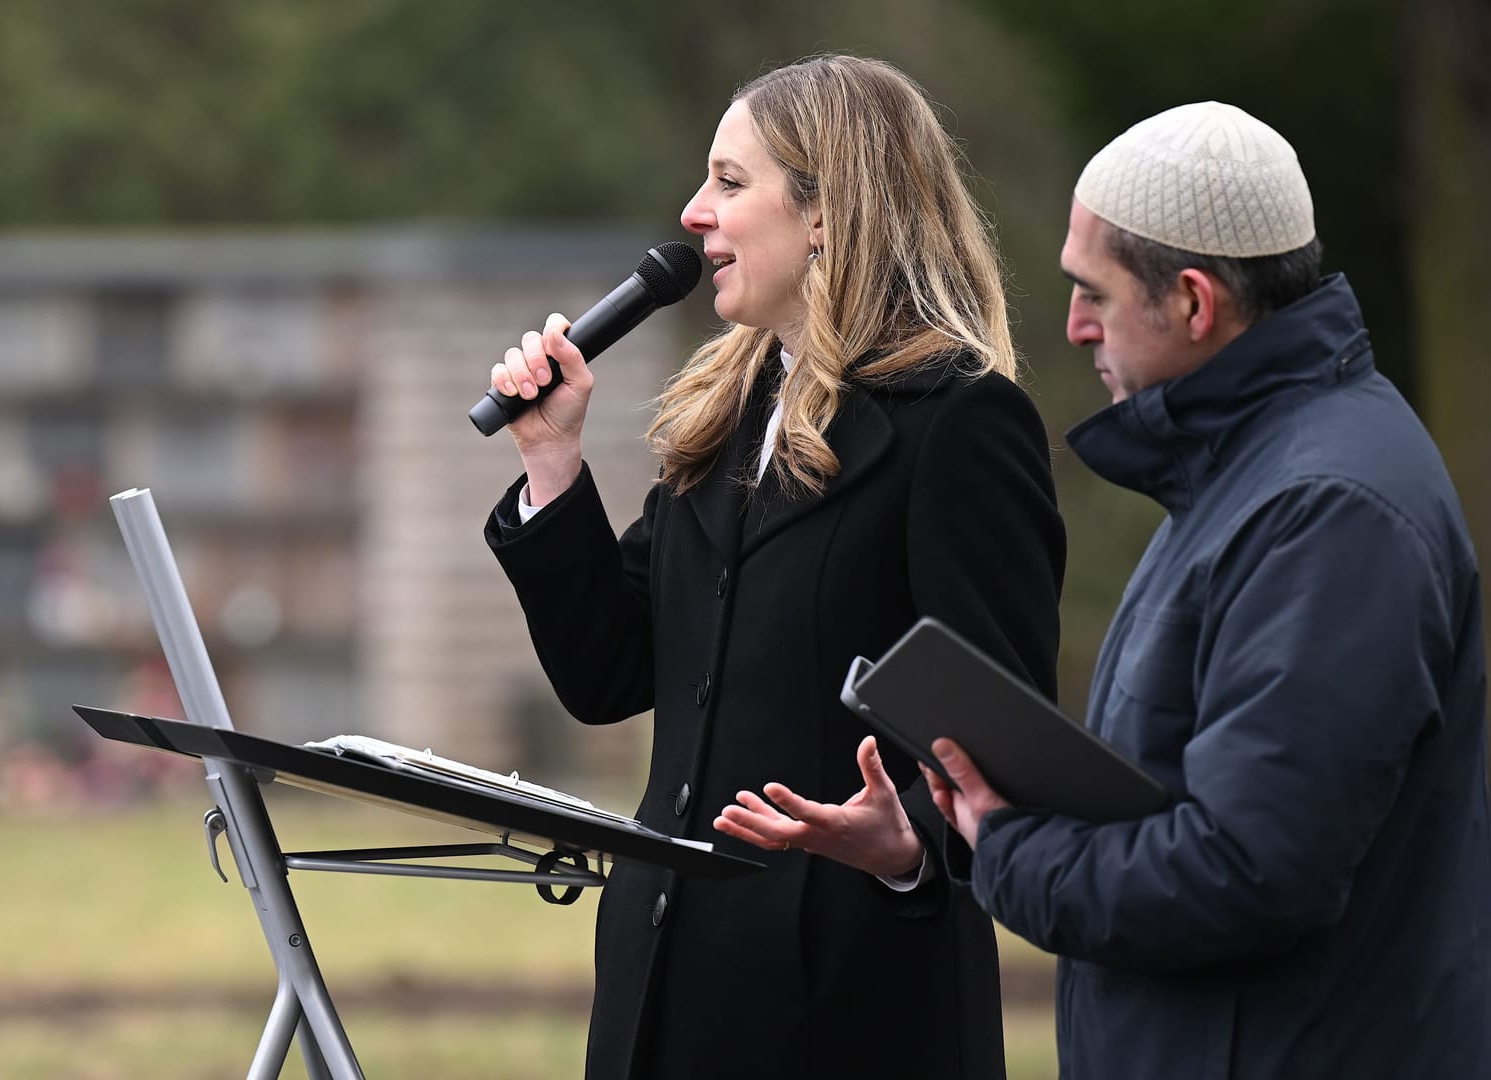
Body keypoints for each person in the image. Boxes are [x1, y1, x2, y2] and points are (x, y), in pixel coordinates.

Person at [482, 55, 1065, 1079]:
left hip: (848, 1007)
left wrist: (908, 843)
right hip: (664, 989)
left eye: (730, 182)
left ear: (828, 214)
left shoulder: (959, 424)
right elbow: (609, 675)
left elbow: (1002, 741)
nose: (694, 212)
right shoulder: (728, 420)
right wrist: (551, 462)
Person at [920, 102, 1491, 1079]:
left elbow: (1248, 870)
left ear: (1193, 302)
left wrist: (1013, 854)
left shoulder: (1328, 510)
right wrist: (959, 825)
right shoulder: (1246, 476)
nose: (1073, 325)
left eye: (1091, 291)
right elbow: (1177, 798)